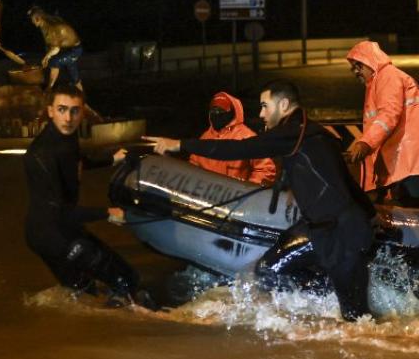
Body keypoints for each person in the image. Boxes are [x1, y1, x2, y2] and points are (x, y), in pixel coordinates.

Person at [144, 80, 376, 321]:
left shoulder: (294, 133)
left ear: (284, 105)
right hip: (318, 228)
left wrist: (180, 144)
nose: (261, 113)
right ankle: (307, 317)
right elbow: (346, 182)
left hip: (341, 233)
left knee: (357, 320)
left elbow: (239, 149)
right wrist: (371, 214)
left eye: (265, 106)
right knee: (268, 270)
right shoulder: (313, 133)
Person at [23, 84, 153, 307]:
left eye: (75, 111)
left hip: (58, 229)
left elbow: (75, 162)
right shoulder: (41, 154)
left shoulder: (66, 137)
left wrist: (112, 159)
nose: (68, 118)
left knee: (85, 295)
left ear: (83, 112)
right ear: (50, 111)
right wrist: (107, 212)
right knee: (126, 280)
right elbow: (59, 211)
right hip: (51, 233)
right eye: (62, 109)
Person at [344, 41, 419, 203]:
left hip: (412, 162)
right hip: (410, 160)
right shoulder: (381, 80)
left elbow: (389, 114)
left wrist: (366, 143)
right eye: (353, 68)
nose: (356, 72)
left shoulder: (387, 76)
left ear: (369, 62)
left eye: (358, 66)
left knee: (413, 213)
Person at [188, 91, 277, 185]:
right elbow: (193, 165)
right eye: (214, 110)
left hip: (234, 197)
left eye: (221, 111)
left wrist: (247, 189)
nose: (217, 113)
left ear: (232, 112)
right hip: (208, 194)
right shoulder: (205, 137)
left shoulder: (247, 137)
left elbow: (266, 168)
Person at [28, 6, 83, 88]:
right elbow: (51, 45)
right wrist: (47, 56)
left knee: (54, 62)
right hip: (67, 49)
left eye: (32, 19)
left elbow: (56, 48)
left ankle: (49, 88)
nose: (31, 21)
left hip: (74, 50)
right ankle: (79, 90)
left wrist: (46, 57)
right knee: (73, 73)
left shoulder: (51, 27)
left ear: (37, 18)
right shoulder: (44, 26)